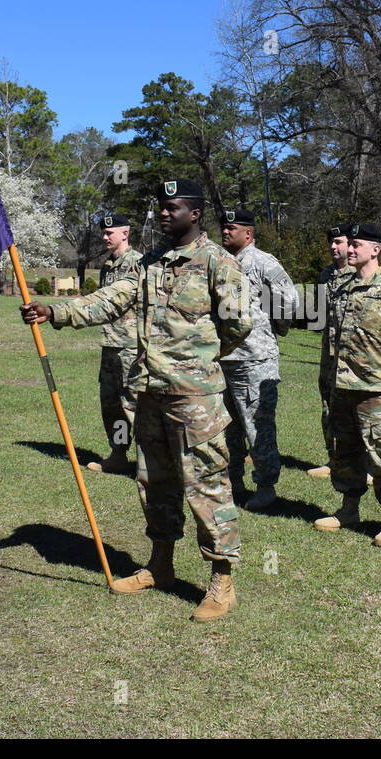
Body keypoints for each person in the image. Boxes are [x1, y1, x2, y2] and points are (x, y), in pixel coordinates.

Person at [19, 179, 252, 622]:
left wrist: (199, 361)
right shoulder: (148, 263)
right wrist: (56, 311)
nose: (164, 213)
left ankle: (222, 579)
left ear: (195, 213)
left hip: (194, 398)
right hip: (148, 393)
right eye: (161, 207)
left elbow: (237, 323)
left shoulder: (217, 263)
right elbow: (113, 299)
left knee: (206, 484)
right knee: (155, 483)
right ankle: (160, 565)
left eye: (174, 207)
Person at [312, 223, 381, 547]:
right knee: (342, 451)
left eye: (356, 245)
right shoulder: (340, 287)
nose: (350, 250)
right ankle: (349, 510)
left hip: (376, 387)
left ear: (375, 250)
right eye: (349, 245)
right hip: (340, 386)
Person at [219, 208, 298, 510]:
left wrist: (275, 328)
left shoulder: (263, 262)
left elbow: (288, 300)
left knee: (257, 426)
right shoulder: (221, 261)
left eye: (232, 228)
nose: (226, 232)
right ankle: (233, 479)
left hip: (254, 359)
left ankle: (265, 486)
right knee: (227, 427)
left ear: (248, 234)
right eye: (224, 227)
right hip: (224, 358)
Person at [85, 214, 142, 475]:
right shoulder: (107, 265)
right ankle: (118, 454)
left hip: (132, 346)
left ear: (125, 233)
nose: (105, 237)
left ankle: (146, 460)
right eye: (104, 233)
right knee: (111, 406)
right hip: (110, 344)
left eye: (110, 232)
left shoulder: (139, 263)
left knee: (135, 404)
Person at [307, 223, 353, 479]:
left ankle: (364, 464)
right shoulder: (326, 275)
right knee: (329, 406)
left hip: (355, 355)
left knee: (358, 411)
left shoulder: (361, 274)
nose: (333, 247)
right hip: (330, 354)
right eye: (331, 243)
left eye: (339, 242)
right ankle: (334, 459)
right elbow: (320, 316)